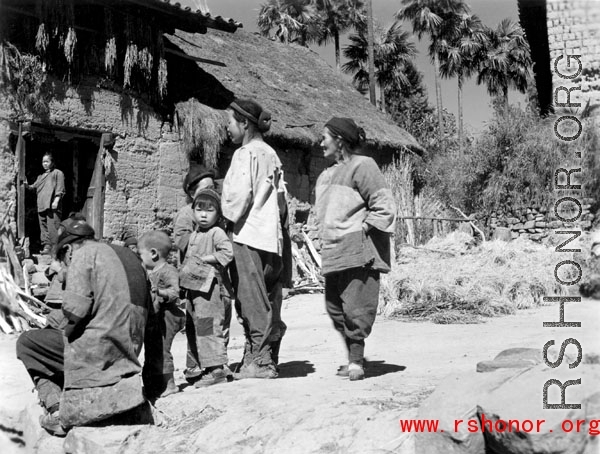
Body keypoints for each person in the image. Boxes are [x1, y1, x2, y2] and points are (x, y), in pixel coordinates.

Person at [15, 220, 152, 436]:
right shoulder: (129, 257)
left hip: (100, 352)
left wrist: (54, 321)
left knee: (27, 342)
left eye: (61, 262)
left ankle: (56, 410)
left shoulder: (82, 255)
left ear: (68, 251)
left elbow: (74, 311)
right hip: (128, 350)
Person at [315, 117, 396, 381]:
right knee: (334, 308)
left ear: (339, 140)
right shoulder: (324, 176)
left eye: (324, 137)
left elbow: (383, 204)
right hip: (333, 252)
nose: (320, 142)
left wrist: (364, 230)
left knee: (356, 309)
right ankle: (355, 356)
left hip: (358, 252)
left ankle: (356, 361)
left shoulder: (363, 165)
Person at [221, 98, 291, 379]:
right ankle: (261, 356)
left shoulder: (245, 154)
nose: (227, 129)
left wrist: (224, 217)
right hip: (271, 236)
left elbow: (239, 197)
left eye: (229, 123)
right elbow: (283, 199)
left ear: (244, 123)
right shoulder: (272, 154)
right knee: (269, 298)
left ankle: (260, 361)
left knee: (250, 299)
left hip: (248, 234)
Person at [180, 188, 233, 387]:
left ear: (218, 214)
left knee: (208, 325)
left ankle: (216, 369)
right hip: (195, 289)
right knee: (196, 326)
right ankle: (208, 366)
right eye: (199, 209)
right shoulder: (194, 235)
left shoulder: (216, 233)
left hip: (210, 291)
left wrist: (207, 259)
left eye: (209, 210)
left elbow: (227, 254)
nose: (203, 214)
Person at [138, 231, 185, 398]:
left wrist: (160, 292)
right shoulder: (149, 271)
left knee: (162, 350)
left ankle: (169, 384)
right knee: (152, 350)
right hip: (155, 318)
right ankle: (154, 385)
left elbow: (175, 292)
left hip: (168, 317)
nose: (140, 257)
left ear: (153, 253)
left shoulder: (168, 270)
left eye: (140, 253)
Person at [24, 153, 65, 255]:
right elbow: (33, 187)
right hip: (41, 204)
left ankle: (55, 249)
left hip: (52, 205)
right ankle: (47, 247)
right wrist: (26, 184)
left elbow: (60, 188)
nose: (45, 164)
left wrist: (56, 200)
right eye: (43, 162)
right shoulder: (40, 176)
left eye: (47, 161)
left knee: (53, 226)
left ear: (52, 162)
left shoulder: (58, 173)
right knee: (43, 227)